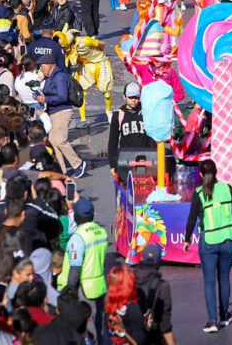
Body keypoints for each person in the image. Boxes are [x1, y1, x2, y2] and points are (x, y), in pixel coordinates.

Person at [183, 159, 232, 333]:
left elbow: (191, 219)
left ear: (201, 175)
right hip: (228, 241)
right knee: (224, 278)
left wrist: (187, 239)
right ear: (216, 172)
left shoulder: (198, 193)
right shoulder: (226, 188)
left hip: (209, 242)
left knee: (209, 282)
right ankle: (225, 316)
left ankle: (212, 322)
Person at [58, 198, 110, 342]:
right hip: (99, 283)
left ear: (75, 216)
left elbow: (75, 267)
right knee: (100, 323)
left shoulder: (78, 237)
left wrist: (69, 290)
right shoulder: (101, 232)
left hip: (83, 288)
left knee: (87, 326)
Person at [36, 51, 85, 177]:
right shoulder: (50, 77)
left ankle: (77, 163)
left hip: (62, 112)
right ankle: (61, 170)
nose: (41, 69)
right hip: (54, 112)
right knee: (53, 140)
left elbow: (62, 97)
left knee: (60, 140)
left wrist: (45, 99)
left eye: (42, 66)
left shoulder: (59, 77)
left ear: (50, 64)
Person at [108, 82, 155, 171]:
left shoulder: (146, 112)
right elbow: (113, 141)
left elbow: (154, 136)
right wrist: (113, 165)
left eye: (136, 97)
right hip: (126, 159)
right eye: (130, 97)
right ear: (124, 97)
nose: (133, 100)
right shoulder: (118, 115)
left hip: (145, 158)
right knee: (128, 184)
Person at [134, 244, 175, 345]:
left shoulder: (130, 279)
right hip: (154, 336)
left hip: (132, 336)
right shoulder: (162, 286)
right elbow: (165, 324)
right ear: (159, 262)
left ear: (142, 258)